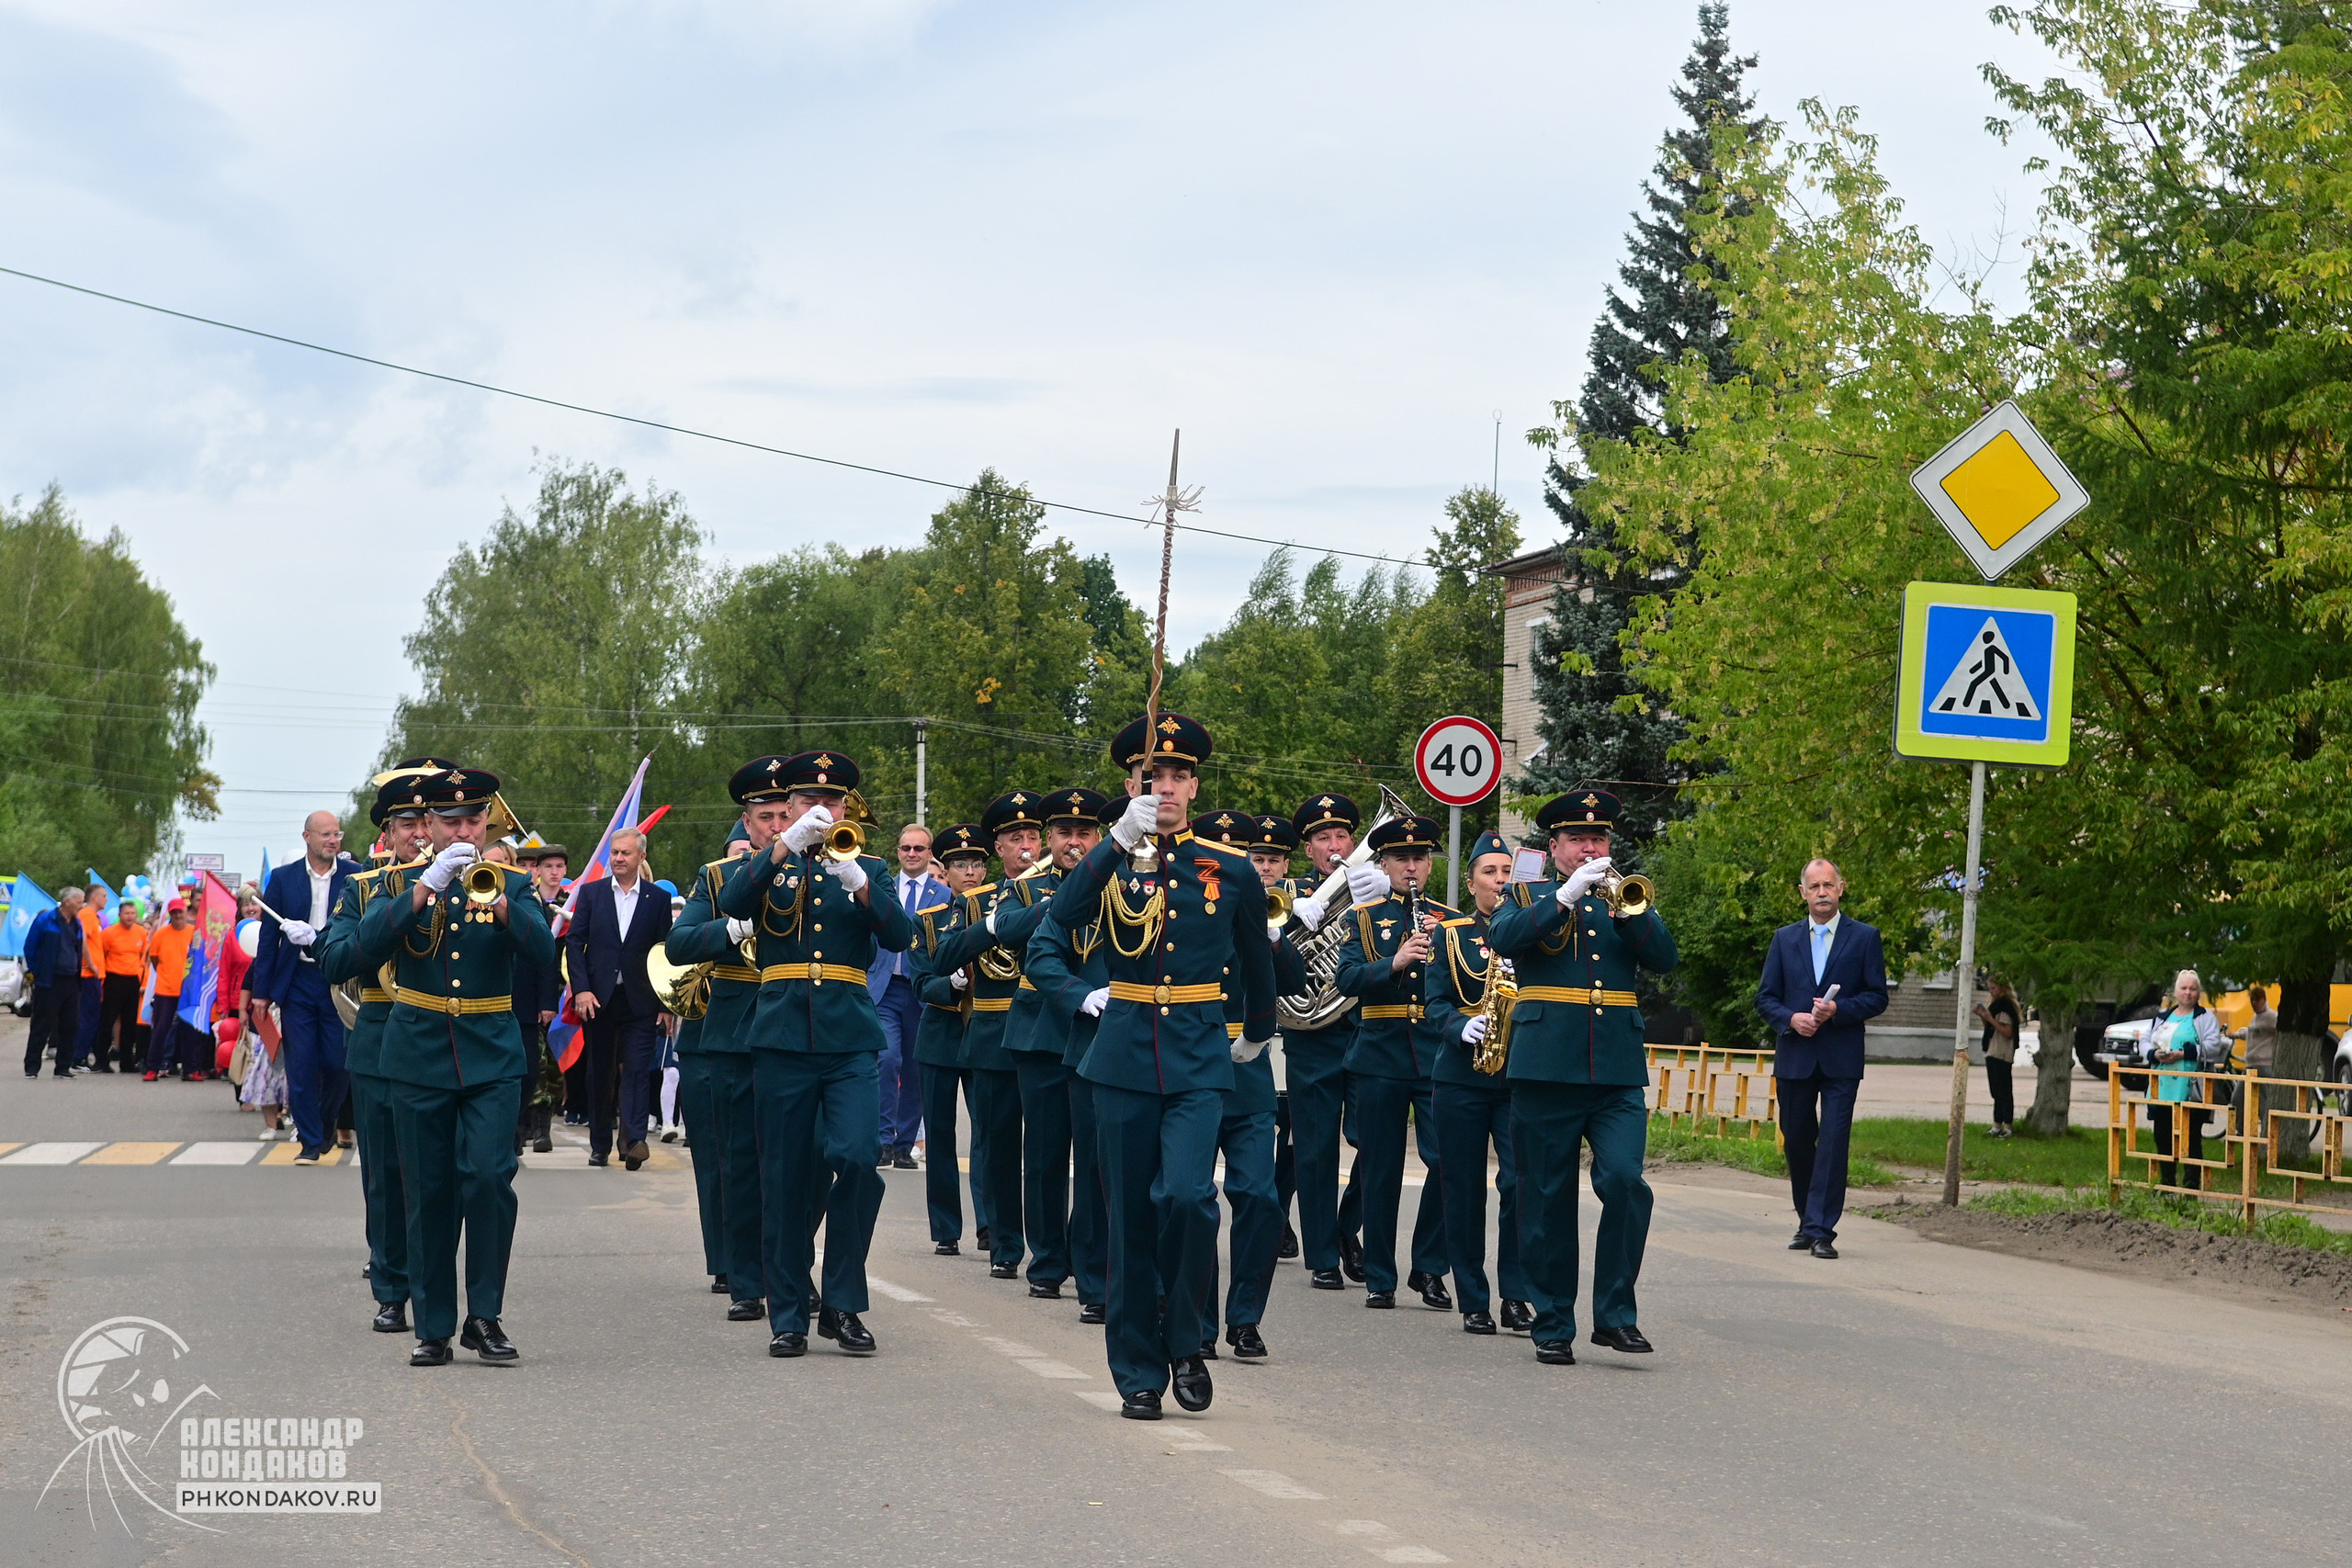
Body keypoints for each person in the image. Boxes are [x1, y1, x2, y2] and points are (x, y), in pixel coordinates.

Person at [1047, 712, 1276, 1420]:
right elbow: (1062, 916)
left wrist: (1258, 1034)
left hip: (1201, 1056)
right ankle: (1137, 1371)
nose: (1166, 786)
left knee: (1185, 1199)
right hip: (1120, 1056)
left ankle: (1187, 1339)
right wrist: (1115, 841)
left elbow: (1258, 961)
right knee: (1128, 1223)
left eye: (1178, 775)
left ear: (1196, 784)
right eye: (1153, 776)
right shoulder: (1113, 858)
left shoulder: (1229, 867)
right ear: (1133, 783)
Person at [714, 750, 912, 1359]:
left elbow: (901, 935)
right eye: (806, 803)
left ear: (847, 808)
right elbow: (734, 904)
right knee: (786, 1176)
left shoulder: (870, 867)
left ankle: (845, 1301)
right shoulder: (767, 864)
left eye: (830, 803)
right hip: (780, 1037)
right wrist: (782, 846)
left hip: (849, 1038)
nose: (819, 811)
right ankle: (790, 1312)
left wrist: (858, 883)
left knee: (856, 1159)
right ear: (790, 808)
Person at [356, 764, 553, 1366]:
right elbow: (361, 948)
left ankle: (485, 1315)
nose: (462, 829)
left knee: (492, 1176)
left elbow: (544, 953)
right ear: (428, 827)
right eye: (450, 820)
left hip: (491, 1053)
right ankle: (434, 1324)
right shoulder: (402, 883)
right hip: (417, 1052)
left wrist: (498, 907)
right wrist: (425, 888)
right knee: (428, 1190)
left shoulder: (512, 884)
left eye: (474, 819)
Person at [1489, 789, 1681, 1366]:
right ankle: (1552, 1321)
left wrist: (1635, 912)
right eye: (1577, 839)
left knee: (1626, 1183)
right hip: (1547, 1065)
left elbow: (1666, 960)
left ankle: (1616, 1316)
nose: (1590, 848)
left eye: (1598, 839)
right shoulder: (1524, 894)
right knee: (1545, 1197)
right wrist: (1564, 899)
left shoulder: (1625, 898)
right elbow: (1503, 939)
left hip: (1616, 1069)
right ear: (1555, 847)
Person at [319, 761, 446, 1334]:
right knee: (386, 1175)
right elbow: (336, 959)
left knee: (445, 1175)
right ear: (387, 835)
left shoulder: (474, 881)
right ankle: (392, 1288)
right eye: (406, 823)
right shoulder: (363, 888)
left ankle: (439, 1286)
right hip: (379, 1046)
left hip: (446, 1046)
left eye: (428, 820)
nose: (419, 832)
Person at [665, 770, 783, 1320]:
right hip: (735, 1030)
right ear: (746, 820)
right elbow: (681, 942)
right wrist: (731, 932)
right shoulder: (718, 878)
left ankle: (787, 1264)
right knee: (737, 1161)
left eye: (786, 815)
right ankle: (744, 1276)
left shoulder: (830, 870)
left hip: (802, 1029)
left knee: (808, 1160)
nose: (777, 826)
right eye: (765, 817)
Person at [1192, 810, 1304, 1359]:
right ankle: (1198, 1319)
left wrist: (1275, 939)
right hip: (1190, 1064)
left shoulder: (1259, 911)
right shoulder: (1185, 906)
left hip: (1250, 1069)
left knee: (1260, 1197)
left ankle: (1245, 1318)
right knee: (1192, 1202)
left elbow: (1298, 981)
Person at [1333, 813, 1455, 1311]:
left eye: (1420, 858)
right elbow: (1346, 980)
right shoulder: (1363, 918)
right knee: (1381, 1168)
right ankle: (1380, 1274)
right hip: (1380, 1053)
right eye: (1401, 858)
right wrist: (1396, 962)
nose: (1412, 867)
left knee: (1446, 1162)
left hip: (1434, 1055)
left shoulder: (1451, 920)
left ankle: (1428, 1266)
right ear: (1383, 864)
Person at [931, 791, 1047, 1282]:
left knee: (1045, 1150)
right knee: (998, 1144)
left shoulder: (1065, 892)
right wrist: (995, 928)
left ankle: (1050, 1246)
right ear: (997, 849)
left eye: (1032, 837)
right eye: (1014, 839)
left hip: (1047, 1030)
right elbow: (946, 956)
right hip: (995, 1028)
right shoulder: (980, 902)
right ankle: (1004, 1241)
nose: (1026, 846)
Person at [999, 788, 1110, 1300]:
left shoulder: (1123, 882)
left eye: (1084, 833)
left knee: (1092, 1159)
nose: (1075, 842)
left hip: (1100, 1034)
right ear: (1050, 838)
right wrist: (1055, 899)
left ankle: (1092, 1270)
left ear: (1100, 836)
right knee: (1043, 1155)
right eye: (1064, 833)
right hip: (1041, 1031)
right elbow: (1010, 935)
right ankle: (1046, 1260)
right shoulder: (1027, 888)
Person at [1423, 829, 1534, 1335]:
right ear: (1471, 884)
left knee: (1519, 1183)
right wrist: (1457, 1026)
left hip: (1517, 1076)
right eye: (1490, 873)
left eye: (1507, 872)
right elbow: (1434, 1004)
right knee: (1463, 1187)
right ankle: (1472, 1295)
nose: (1500, 881)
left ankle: (1516, 1293)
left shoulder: (1534, 929)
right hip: (1461, 1077)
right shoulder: (1451, 934)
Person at [1755, 857, 1889, 1260]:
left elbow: (1878, 996)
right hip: (1796, 1055)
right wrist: (1791, 1019)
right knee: (1797, 1139)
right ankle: (1806, 1219)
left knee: (1832, 1143)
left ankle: (1821, 1229)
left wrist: (1839, 1011)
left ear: (1841, 888)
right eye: (1814, 887)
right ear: (1802, 893)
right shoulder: (1784, 939)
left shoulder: (1864, 937)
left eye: (1828, 885)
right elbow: (1765, 998)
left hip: (1840, 1059)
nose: (1822, 893)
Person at [1278, 793, 1364, 1291]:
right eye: (1322, 839)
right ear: (1308, 849)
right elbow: (1259, 942)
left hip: (1366, 1031)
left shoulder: (1375, 889)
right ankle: (1322, 1256)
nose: (1334, 846)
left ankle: (1346, 1228)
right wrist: (1290, 917)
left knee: (1376, 1141)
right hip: (1311, 1037)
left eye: (1341, 837)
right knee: (1313, 1148)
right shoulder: (1292, 896)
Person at [250, 809, 357, 1164]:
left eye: (337, 834)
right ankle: (310, 1141)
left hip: (338, 979)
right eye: (325, 834)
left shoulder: (355, 876)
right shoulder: (283, 879)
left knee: (339, 1063)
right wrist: (262, 992)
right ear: (307, 837)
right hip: (297, 980)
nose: (332, 840)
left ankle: (325, 1124)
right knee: (301, 1063)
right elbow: (267, 940)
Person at [566, 828, 675, 1170]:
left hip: (640, 1000)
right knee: (600, 1073)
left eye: (626, 853)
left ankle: (634, 1141)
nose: (618, 859)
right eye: (614, 853)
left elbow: (664, 952)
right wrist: (581, 989)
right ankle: (600, 1144)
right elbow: (574, 943)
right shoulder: (591, 893)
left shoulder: (656, 899)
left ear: (642, 856)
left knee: (638, 1071)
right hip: (598, 1000)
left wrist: (665, 1004)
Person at [910, 825, 991, 1257]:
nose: (972, 872)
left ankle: (990, 1224)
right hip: (941, 1035)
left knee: (987, 1134)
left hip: (983, 1035)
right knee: (940, 1134)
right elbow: (921, 984)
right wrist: (955, 982)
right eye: (961, 864)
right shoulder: (930, 921)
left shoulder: (1002, 915)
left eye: (978, 863)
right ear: (944, 871)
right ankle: (945, 1228)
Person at [868, 823, 940, 1168]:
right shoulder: (883, 887)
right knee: (888, 1059)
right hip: (884, 988)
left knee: (915, 1069)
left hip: (921, 991)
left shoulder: (942, 896)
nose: (911, 854)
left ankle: (904, 1144)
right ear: (897, 852)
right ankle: (883, 1139)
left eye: (919, 849)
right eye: (905, 848)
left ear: (929, 854)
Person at [2144, 968, 2225, 1189]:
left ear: (2198, 993)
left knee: (2190, 1138)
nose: (2188, 993)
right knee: (2162, 1136)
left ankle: (2191, 1186)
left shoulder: (2206, 1018)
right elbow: (2145, 1042)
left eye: (2192, 989)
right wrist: (2154, 1054)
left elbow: (2214, 1046)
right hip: (2162, 1087)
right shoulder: (2162, 1017)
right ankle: (2166, 1183)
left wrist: (2185, 1053)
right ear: (2175, 992)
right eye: (2183, 988)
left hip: (2191, 1089)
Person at [22, 887, 85, 1077]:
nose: (81, 906)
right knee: (42, 1024)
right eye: (78, 902)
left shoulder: (77, 924)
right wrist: (36, 974)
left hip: (71, 980)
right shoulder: (45, 920)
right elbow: (30, 948)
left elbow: (77, 948)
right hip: (49, 981)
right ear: (66, 902)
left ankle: (63, 1068)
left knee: (70, 1025)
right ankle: (32, 1068)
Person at [141, 900, 200, 1081]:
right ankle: (153, 1068)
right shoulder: (160, 934)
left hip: (188, 990)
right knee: (160, 1030)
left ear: (185, 911)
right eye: (174, 912)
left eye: (180, 912)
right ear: (170, 914)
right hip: (165, 990)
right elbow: (155, 960)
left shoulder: (194, 933)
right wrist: (168, 976)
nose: (177, 915)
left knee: (190, 1031)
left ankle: (190, 1070)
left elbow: (200, 959)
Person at [97, 901, 150, 1074]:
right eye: (127, 913)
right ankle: (101, 1060)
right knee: (108, 1022)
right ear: (120, 915)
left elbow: (142, 956)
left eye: (133, 913)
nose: (130, 916)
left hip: (132, 981)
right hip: (113, 980)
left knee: (129, 1023)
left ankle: (127, 1062)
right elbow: (101, 956)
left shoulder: (141, 932)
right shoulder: (108, 934)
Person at [1972, 976, 2023, 1138]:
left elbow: (2007, 1032)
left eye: (1993, 988)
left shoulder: (2005, 1007)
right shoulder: (1995, 1006)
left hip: (2002, 1052)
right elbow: (1991, 1027)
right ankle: (1996, 1124)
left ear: (2003, 989)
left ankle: (2007, 1125)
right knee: (1996, 1091)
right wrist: (1983, 1016)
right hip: (1992, 1050)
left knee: (2004, 1090)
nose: (1991, 992)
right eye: (1990, 988)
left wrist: (1990, 1019)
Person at [74, 884, 107, 1069]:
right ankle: (78, 1056)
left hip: (94, 974)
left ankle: (82, 1054)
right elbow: (83, 939)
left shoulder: (94, 916)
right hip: (88, 974)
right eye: (103, 895)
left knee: (92, 1016)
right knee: (89, 1016)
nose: (106, 899)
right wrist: (91, 964)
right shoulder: (86, 914)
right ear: (94, 897)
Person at [2230, 985, 2278, 1075]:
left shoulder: (2272, 1016)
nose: (2254, 1003)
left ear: (2264, 1000)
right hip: (2251, 1065)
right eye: (2252, 1000)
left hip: (2264, 1065)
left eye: (2257, 1000)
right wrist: (2236, 1035)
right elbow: (2250, 1032)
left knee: (2263, 1089)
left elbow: (2281, 1033)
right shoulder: (2255, 1017)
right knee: (2241, 1089)